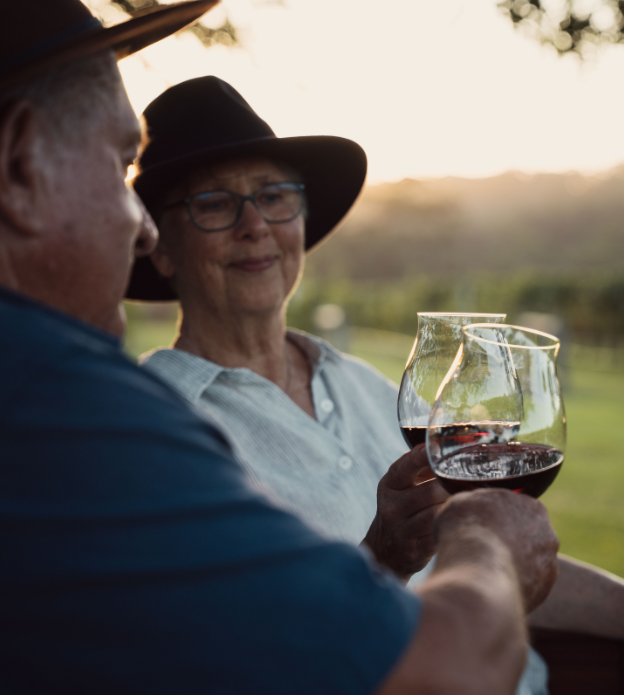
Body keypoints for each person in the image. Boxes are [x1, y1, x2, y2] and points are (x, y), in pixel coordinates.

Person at [0, 2, 561, 694]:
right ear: (20, 163)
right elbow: (435, 669)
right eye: (120, 166)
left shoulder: (356, 381)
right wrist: (485, 543)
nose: (138, 229)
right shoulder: (75, 417)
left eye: (273, 196)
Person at [127, 75, 624, 687]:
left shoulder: (368, 388)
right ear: (159, 246)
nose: (255, 224)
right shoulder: (152, 432)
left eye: (274, 195)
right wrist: (383, 559)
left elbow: (491, 560)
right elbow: (250, 654)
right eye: (214, 203)